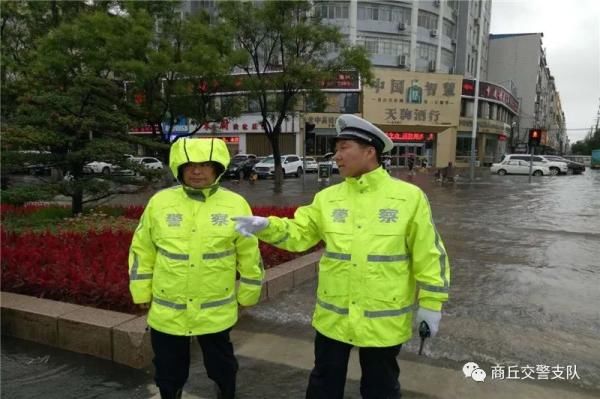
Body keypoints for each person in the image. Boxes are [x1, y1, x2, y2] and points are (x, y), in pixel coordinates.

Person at [233, 115, 450, 399]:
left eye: (343, 148)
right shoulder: (328, 198)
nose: (336, 157)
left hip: (382, 320)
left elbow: (429, 253)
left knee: (381, 389)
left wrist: (431, 304)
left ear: (369, 151)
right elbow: (300, 234)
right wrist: (267, 226)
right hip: (334, 318)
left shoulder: (409, 198)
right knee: (323, 386)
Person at [128, 138, 264, 399]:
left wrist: (248, 294)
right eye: (190, 165)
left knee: (222, 367)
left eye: (204, 165)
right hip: (169, 310)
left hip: (215, 311)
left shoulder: (235, 204)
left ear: (217, 168)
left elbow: (249, 254)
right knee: (168, 370)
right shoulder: (160, 203)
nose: (197, 171)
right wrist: (141, 292)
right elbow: (142, 250)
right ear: (179, 168)